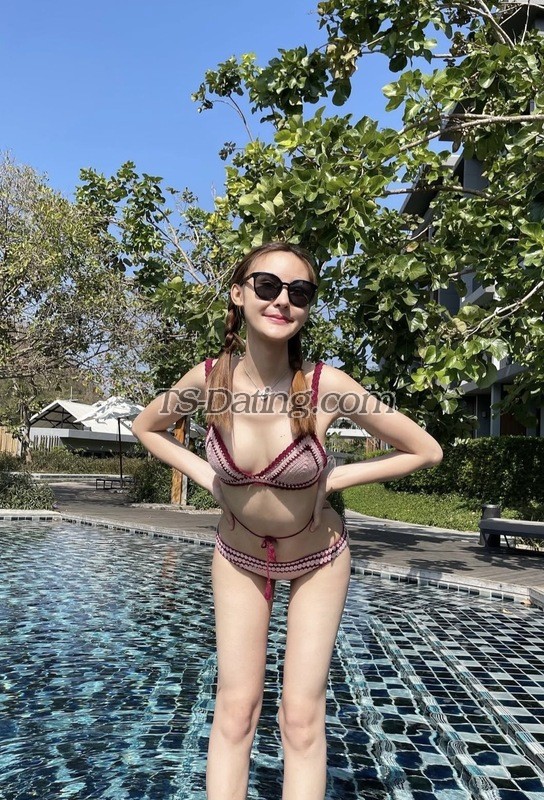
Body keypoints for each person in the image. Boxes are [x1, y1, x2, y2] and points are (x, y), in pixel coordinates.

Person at [131, 241, 443, 800]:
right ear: (238, 293)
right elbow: (146, 427)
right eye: (267, 286)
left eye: (299, 292)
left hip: (317, 558)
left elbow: (425, 450)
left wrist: (334, 479)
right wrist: (209, 478)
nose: (282, 301)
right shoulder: (209, 380)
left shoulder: (327, 387)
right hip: (238, 556)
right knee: (235, 712)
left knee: (300, 718)